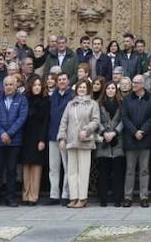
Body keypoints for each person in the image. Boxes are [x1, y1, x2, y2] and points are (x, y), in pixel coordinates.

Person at [57, 79, 100, 209]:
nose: (81, 89)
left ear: (88, 89)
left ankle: (82, 198)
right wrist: (62, 137)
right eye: (80, 87)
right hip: (71, 141)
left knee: (83, 171)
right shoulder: (70, 104)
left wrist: (86, 130)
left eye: (84, 87)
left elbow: (96, 121)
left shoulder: (93, 104)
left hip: (84, 141)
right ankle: (73, 197)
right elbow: (64, 121)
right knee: (71, 171)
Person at [0, 73, 28, 207]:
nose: (9, 87)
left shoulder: (22, 99)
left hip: (14, 140)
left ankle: (11, 197)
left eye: (11, 84)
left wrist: (9, 134)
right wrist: (2, 133)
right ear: (3, 86)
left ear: (16, 85)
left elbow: (21, 118)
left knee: (12, 170)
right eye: (6, 85)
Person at [122, 73, 151, 207]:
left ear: (142, 84)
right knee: (130, 169)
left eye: (136, 83)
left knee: (144, 169)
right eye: (133, 82)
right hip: (131, 138)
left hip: (145, 138)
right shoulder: (127, 99)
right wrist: (134, 131)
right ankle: (128, 197)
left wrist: (142, 131)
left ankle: (144, 197)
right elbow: (125, 118)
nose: (133, 85)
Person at [19, 75, 49, 206]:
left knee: (36, 167)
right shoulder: (25, 99)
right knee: (26, 166)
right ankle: (25, 194)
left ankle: (33, 196)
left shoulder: (45, 100)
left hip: (38, 136)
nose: (37, 87)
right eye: (34, 85)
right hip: (26, 136)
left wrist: (42, 139)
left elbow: (45, 122)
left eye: (39, 85)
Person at [95, 81, 126, 207]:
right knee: (103, 173)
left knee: (118, 173)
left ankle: (117, 199)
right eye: (108, 88)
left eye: (113, 88)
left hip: (117, 141)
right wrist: (104, 132)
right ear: (105, 90)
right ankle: (103, 199)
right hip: (103, 141)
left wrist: (115, 132)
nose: (111, 90)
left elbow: (124, 119)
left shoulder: (122, 103)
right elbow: (96, 120)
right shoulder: (98, 104)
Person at [46, 72, 74, 205]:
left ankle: (66, 194)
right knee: (53, 167)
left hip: (67, 136)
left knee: (67, 167)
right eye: (60, 80)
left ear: (68, 81)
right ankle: (54, 194)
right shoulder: (52, 96)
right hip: (52, 134)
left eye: (64, 79)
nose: (62, 81)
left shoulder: (72, 96)